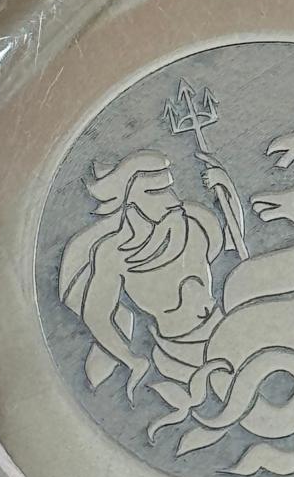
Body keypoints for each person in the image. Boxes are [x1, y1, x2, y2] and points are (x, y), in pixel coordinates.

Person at [58, 150, 243, 402]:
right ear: (129, 199)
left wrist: (226, 186)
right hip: (179, 355)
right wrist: (130, 360)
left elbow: (233, 243)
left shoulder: (193, 221)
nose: (172, 199)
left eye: (168, 187)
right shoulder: (113, 255)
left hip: (229, 331)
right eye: (156, 192)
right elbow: (96, 316)